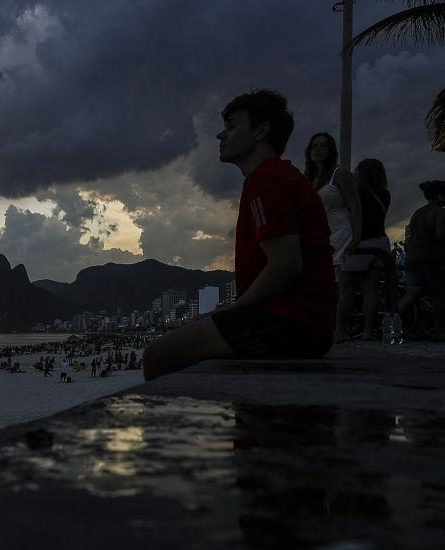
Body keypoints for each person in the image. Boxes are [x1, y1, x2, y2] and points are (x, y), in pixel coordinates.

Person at [143, 89, 335, 381]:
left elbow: (285, 265)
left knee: (157, 356)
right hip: (309, 321)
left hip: (291, 320)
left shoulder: (266, 179)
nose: (221, 136)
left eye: (232, 126)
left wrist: (232, 310)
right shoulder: (281, 176)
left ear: (260, 131)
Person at [304, 132, 364, 342]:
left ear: (331, 150)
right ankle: (322, 326)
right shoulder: (309, 178)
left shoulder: (340, 174)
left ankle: (340, 330)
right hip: (319, 236)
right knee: (320, 286)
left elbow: (355, 206)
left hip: (342, 232)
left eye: (324, 146)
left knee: (344, 286)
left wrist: (356, 237)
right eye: (315, 146)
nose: (319, 149)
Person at [338, 158, 392, 339]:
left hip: (359, 243)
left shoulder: (357, 194)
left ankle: (340, 331)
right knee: (372, 290)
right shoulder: (385, 194)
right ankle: (368, 331)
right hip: (381, 243)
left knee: (347, 290)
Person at [399, 180, 445, 340]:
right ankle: (439, 331)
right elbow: (440, 235)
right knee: (439, 294)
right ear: (440, 195)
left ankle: (391, 322)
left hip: (413, 257)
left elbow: (411, 235)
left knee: (412, 293)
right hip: (432, 257)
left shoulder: (417, 212)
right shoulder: (439, 212)